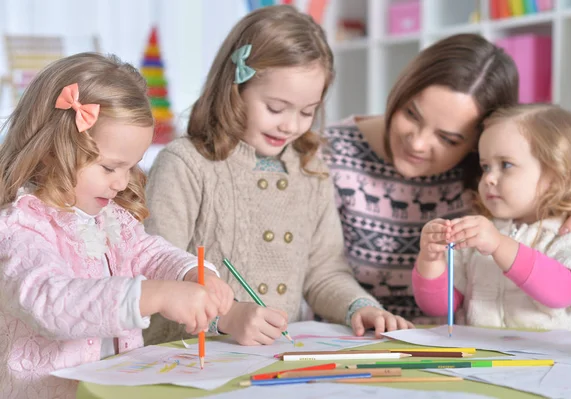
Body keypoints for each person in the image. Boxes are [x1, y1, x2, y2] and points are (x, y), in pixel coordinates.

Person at [143, 5, 413, 348]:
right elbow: (156, 271)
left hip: (275, 360)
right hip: (186, 357)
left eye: (306, 112)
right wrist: (225, 318)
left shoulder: (310, 170)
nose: (290, 125)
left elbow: (325, 271)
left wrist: (359, 307)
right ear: (234, 88)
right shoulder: (185, 164)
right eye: (275, 108)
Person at [0, 53, 234, 399]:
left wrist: (192, 272)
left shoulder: (109, 218)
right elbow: (51, 302)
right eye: (110, 168)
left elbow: (149, 253)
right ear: (53, 151)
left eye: (132, 167)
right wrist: (154, 295)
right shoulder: (20, 228)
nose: (123, 183)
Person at [321, 33, 571, 323]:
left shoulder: (501, 189)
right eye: (411, 114)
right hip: (361, 335)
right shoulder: (327, 154)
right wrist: (430, 260)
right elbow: (443, 304)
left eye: (448, 138)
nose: (417, 143)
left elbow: (568, 157)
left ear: (478, 140)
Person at [413, 104, 571, 332]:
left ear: (558, 173)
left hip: (558, 364)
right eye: (485, 167)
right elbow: (440, 306)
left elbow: (564, 292)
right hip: (482, 361)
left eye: (506, 165)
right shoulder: (482, 231)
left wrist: (499, 245)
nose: (489, 178)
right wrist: (431, 261)